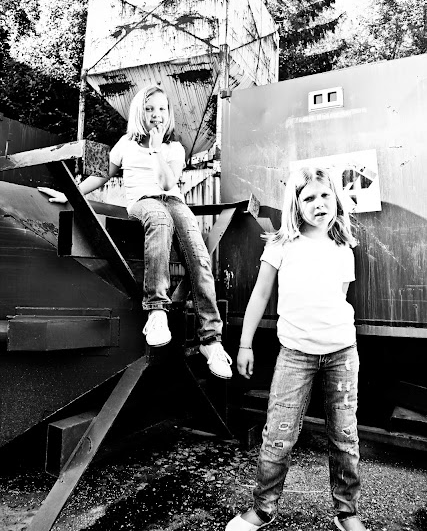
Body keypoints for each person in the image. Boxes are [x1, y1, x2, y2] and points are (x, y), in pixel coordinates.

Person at [38, 84, 232, 380]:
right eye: (150, 109)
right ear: (140, 112)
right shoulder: (125, 144)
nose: (157, 114)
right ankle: (156, 311)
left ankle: (211, 341)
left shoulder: (174, 147)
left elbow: (167, 184)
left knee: (200, 257)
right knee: (159, 219)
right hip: (143, 202)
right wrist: (69, 194)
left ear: (169, 113)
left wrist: (156, 149)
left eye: (162, 109)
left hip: (174, 201)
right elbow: (102, 174)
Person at [226, 166, 367, 531]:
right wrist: (245, 344)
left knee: (345, 437)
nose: (319, 204)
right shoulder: (281, 244)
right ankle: (263, 509)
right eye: (309, 198)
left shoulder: (344, 246)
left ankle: (347, 512)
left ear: (335, 198)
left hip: (342, 354)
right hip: (295, 355)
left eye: (325, 195)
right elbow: (260, 295)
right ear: (296, 205)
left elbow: (339, 297)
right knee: (278, 435)